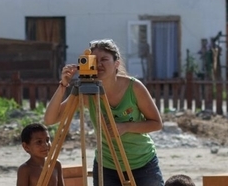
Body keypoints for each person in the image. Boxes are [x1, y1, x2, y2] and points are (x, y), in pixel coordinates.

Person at [44, 39, 164, 186]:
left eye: (104, 59)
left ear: (116, 64)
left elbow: (156, 123)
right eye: (94, 60)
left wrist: (125, 127)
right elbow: (50, 119)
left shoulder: (134, 87)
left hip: (143, 163)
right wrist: (63, 85)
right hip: (107, 166)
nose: (99, 64)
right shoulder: (88, 92)